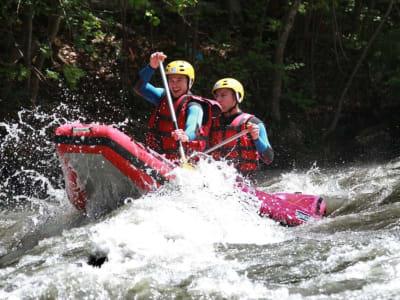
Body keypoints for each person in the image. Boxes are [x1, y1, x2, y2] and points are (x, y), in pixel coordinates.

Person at [134, 52, 221, 161]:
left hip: (185, 162)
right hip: (159, 157)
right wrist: (151, 67)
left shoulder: (194, 105)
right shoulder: (162, 96)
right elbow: (139, 86)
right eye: (171, 80)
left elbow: (195, 126)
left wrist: (186, 136)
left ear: (190, 82)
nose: (174, 85)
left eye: (179, 80)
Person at [209, 78, 274, 176]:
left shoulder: (253, 123)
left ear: (236, 97)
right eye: (217, 96)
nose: (218, 100)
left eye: (223, 95)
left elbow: (268, 158)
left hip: (245, 182)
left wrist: (256, 138)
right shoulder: (212, 123)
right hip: (218, 181)